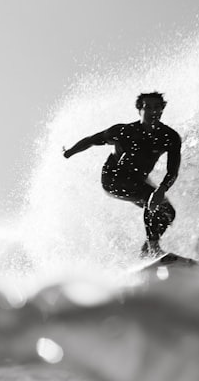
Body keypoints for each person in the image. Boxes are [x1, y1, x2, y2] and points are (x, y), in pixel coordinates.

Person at [63, 92, 182, 257]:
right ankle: (154, 248)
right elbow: (91, 140)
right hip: (113, 179)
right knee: (150, 197)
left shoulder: (169, 137)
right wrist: (69, 152)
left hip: (137, 180)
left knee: (168, 212)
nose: (153, 111)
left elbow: (173, 171)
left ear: (162, 110)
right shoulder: (124, 131)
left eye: (157, 108)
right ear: (139, 110)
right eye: (148, 107)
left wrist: (162, 189)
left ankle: (147, 250)